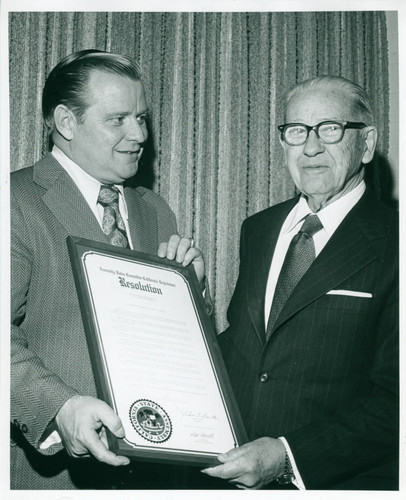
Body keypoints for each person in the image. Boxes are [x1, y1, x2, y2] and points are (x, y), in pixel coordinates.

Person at [10, 49, 205, 490]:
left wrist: (193, 296)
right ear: (66, 122)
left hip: (151, 471)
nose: (139, 134)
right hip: (51, 476)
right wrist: (59, 408)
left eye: (142, 117)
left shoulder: (155, 209)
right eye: (118, 119)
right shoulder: (15, 202)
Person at [203, 76, 398, 490]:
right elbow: (248, 346)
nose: (310, 148)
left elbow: (396, 399)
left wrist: (288, 457)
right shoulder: (258, 229)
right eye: (296, 132)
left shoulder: (395, 240)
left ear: (365, 144)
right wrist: (188, 303)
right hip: (229, 476)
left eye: (330, 128)